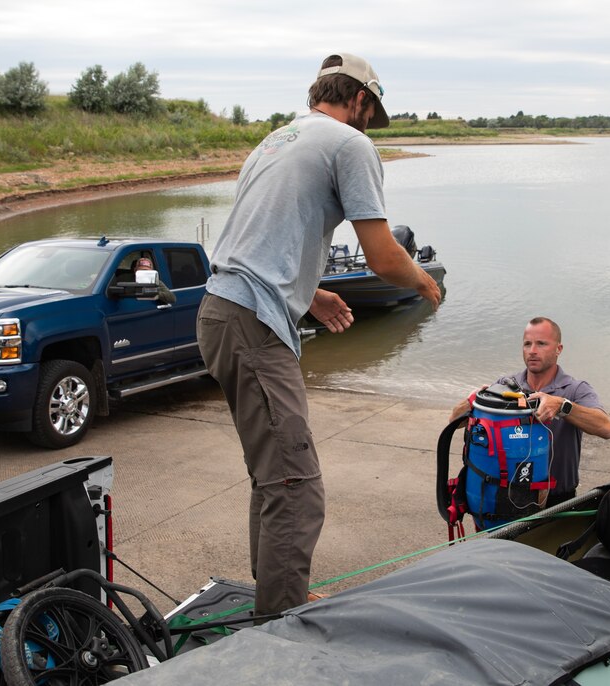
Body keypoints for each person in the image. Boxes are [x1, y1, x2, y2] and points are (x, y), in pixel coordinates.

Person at [196, 53, 442, 619]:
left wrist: (311, 294)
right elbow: (383, 258)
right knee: (296, 486)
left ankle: (277, 596)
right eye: (369, 112)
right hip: (253, 323)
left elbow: (261, 240)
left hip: (221, 310)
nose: (366, 125)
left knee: (272, 474)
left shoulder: (276, 141)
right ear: (357, 97)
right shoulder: (349, 144)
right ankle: (279, 625)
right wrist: (423, 280)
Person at [449, 317, 610, 506]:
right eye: (527, 344)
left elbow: (606, 428)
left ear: (558, 349)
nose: (532, 351)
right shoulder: (506, 385)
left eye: (541, 344)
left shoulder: (575, 389)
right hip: (507, 497)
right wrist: (473, 400)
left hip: (557, 500)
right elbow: (454, 421)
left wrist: (562, 406)